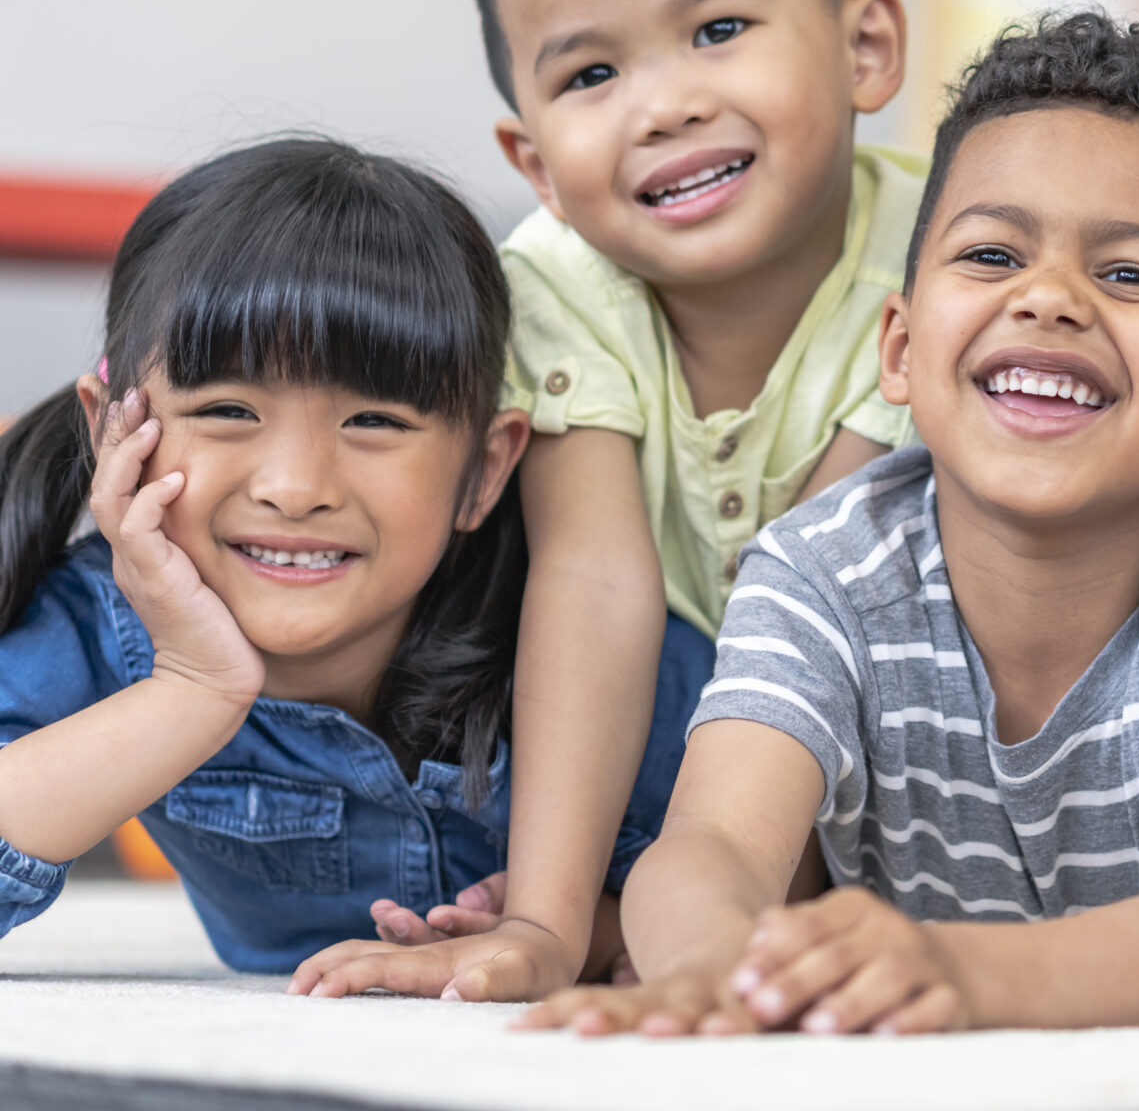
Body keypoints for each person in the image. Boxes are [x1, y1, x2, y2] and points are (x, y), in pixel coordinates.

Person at [526, 14, 1139, 1036]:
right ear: (898, 347)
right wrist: (726, 970)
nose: (1049, 298)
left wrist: (958, 972)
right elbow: (710, 845)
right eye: (990, 253)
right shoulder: (822, 563)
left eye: (1131, 274)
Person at [342, 0, 920, 1001]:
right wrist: (546, 926)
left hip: (898, 705)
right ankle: (601, 907)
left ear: (865, 46)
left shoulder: (945, 250)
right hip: (648, 724)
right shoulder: (553, 282)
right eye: (590, 75)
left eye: (718, 30)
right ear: (535, 160)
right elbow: (595, 581)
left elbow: (827, 595)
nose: (666, 104)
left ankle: (740, 908)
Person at [0, 140, 704, 977]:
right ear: (111, 429)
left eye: (374, 422)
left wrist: (604, 929)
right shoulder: (94, 627)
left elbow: (791, 854)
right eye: (227, 408)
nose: (297, 488)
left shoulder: (585, 653)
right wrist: (193, 689)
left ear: (483, 472)